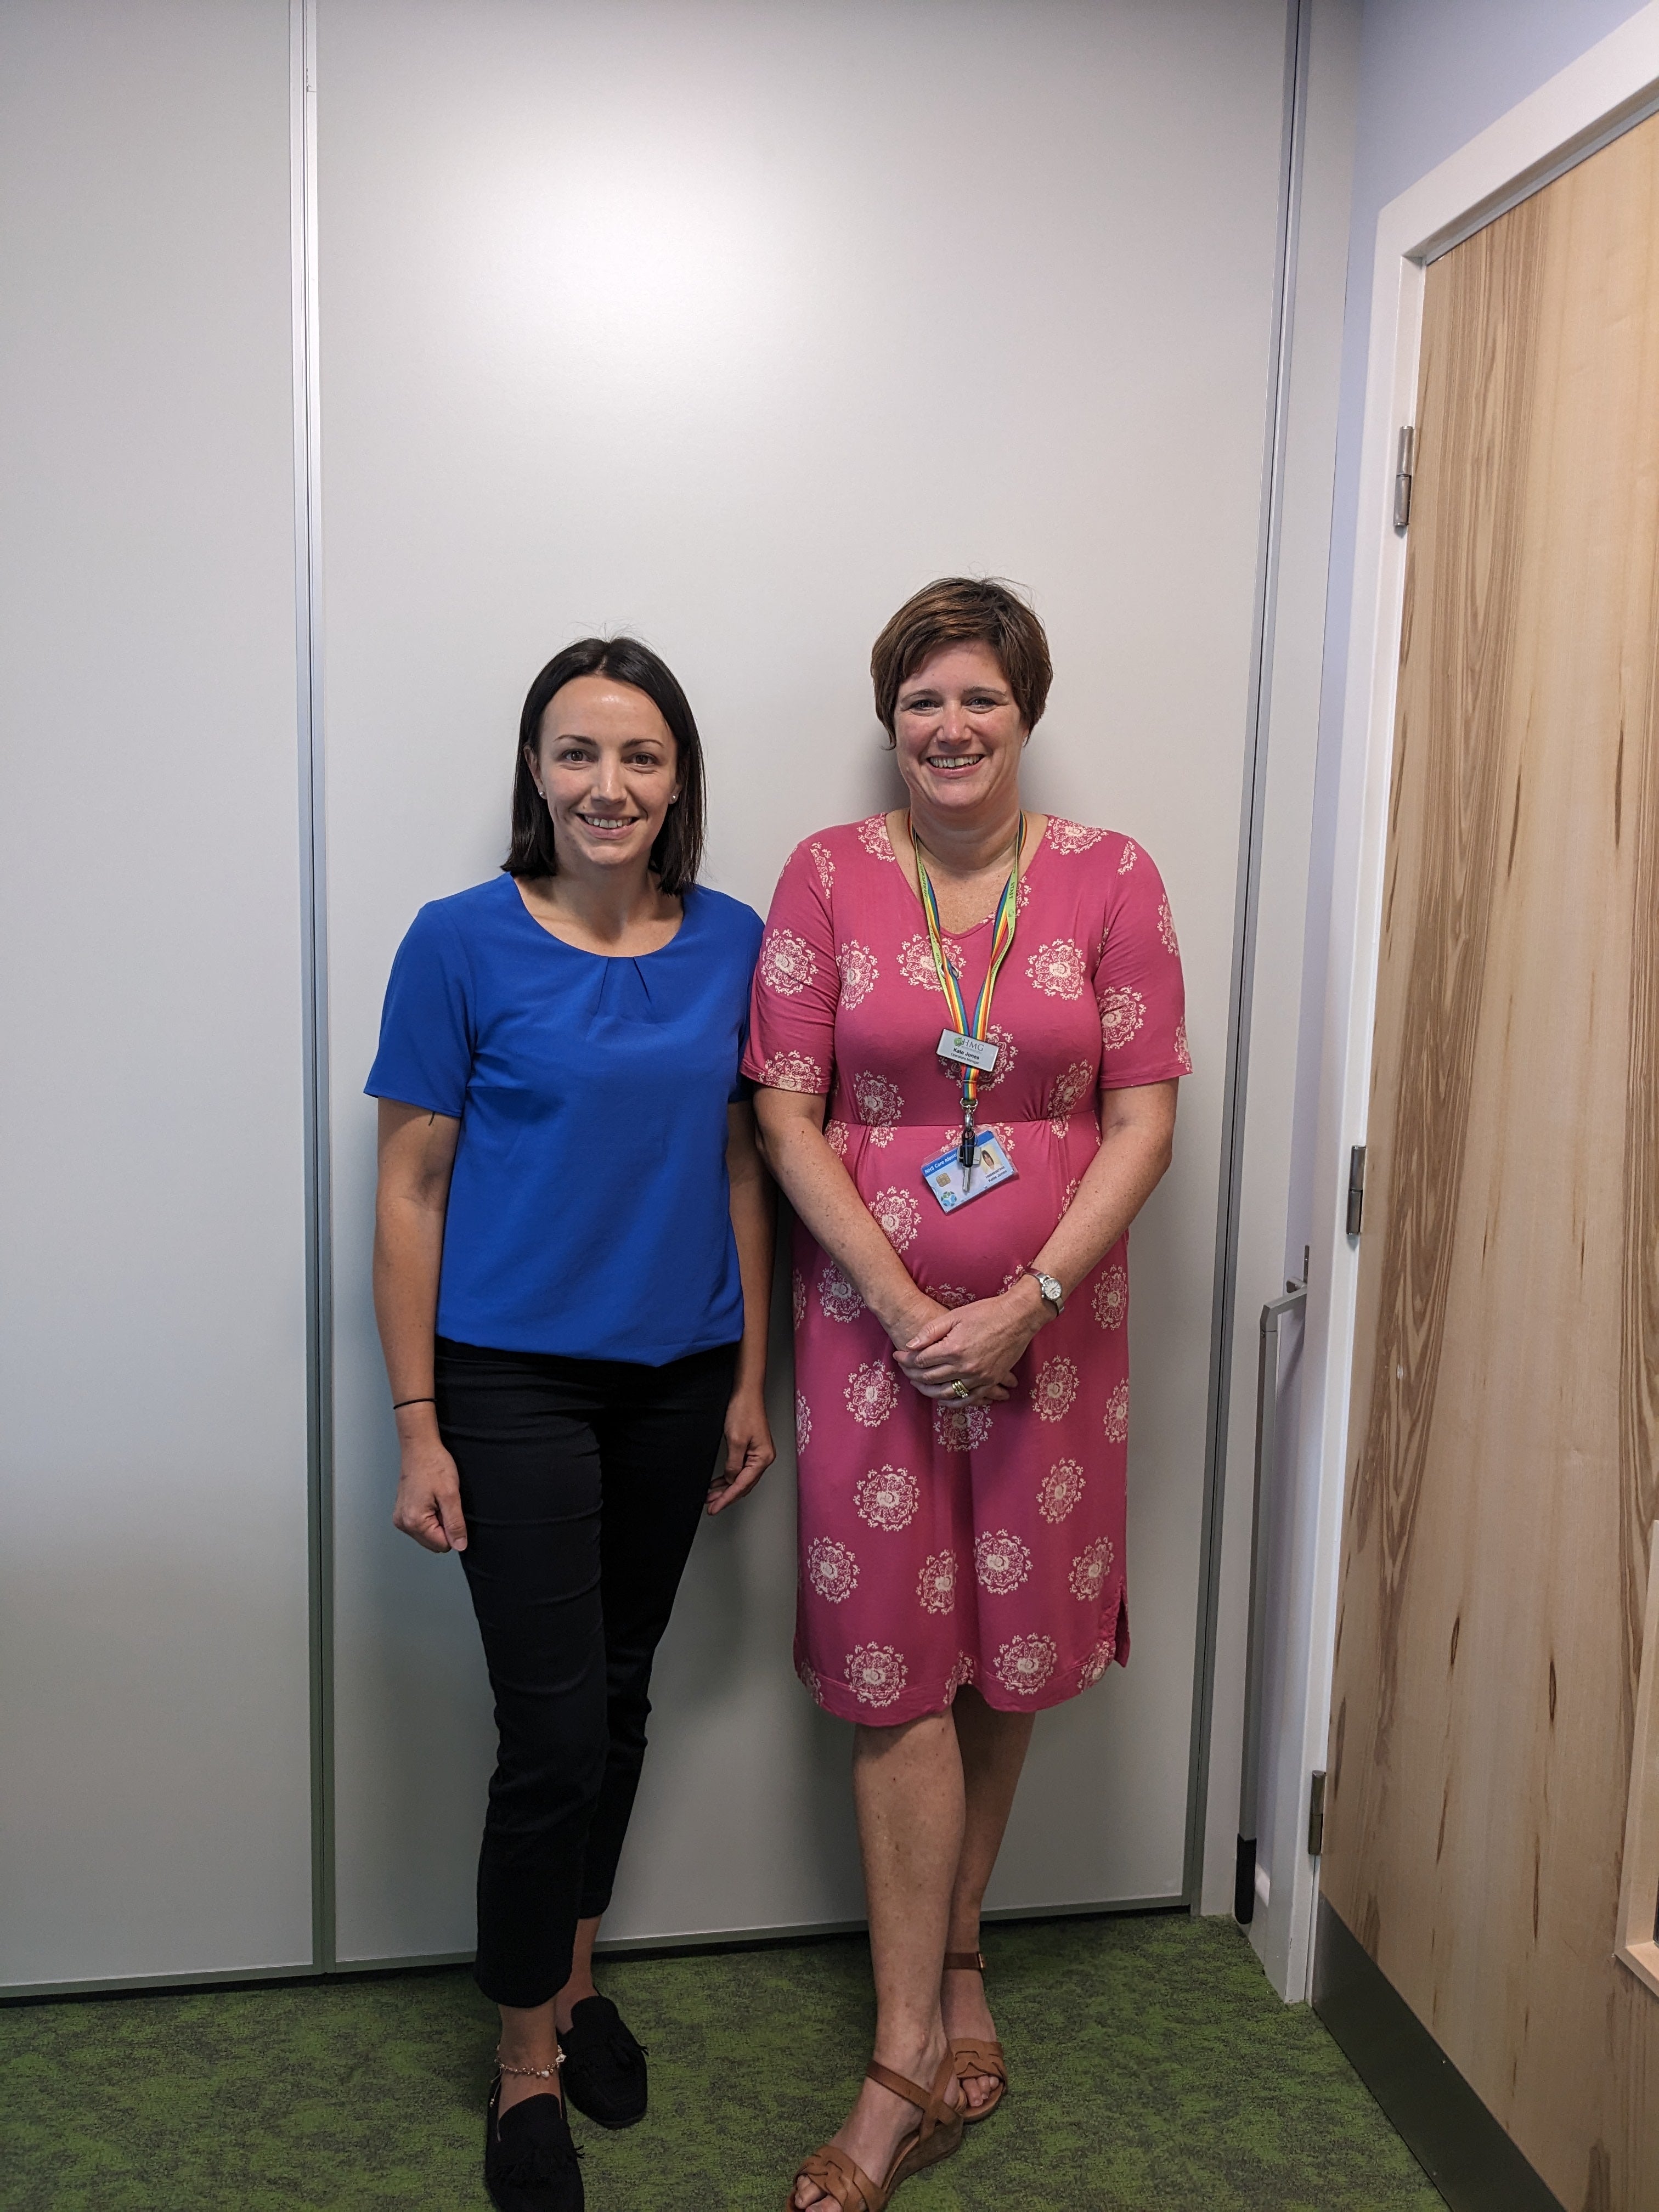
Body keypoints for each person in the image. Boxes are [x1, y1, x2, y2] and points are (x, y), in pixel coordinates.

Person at [747, 577, 1188, 2211]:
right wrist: (898, 1292)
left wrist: (1031, 1296)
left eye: (980, 700)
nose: (951, 728)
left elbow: (1141, 1118)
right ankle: (900, 2049)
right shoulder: (825, 878)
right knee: (897, 1674)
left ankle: (959, 1969)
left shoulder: (1110, 878)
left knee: (1008, 1654)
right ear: (891, 721)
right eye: (923, 700)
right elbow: (787, 1114)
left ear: (1026, 711)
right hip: (871, 1336)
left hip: (1054, 1333)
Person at [368, 636, 774, 2212]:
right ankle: (523, 2058)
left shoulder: (735, 943)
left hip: (679, 1376)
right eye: (577, 753)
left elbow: (746, 1170)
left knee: (618, 1697)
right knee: (547, 1734)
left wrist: (747, 1378)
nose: (609, 786)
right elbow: (409, 1189)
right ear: (535, 774)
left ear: (679, 783)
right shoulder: (458, 943)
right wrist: (419, 1420)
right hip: (510, 1383)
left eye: (641, 757)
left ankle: (581, 1977)